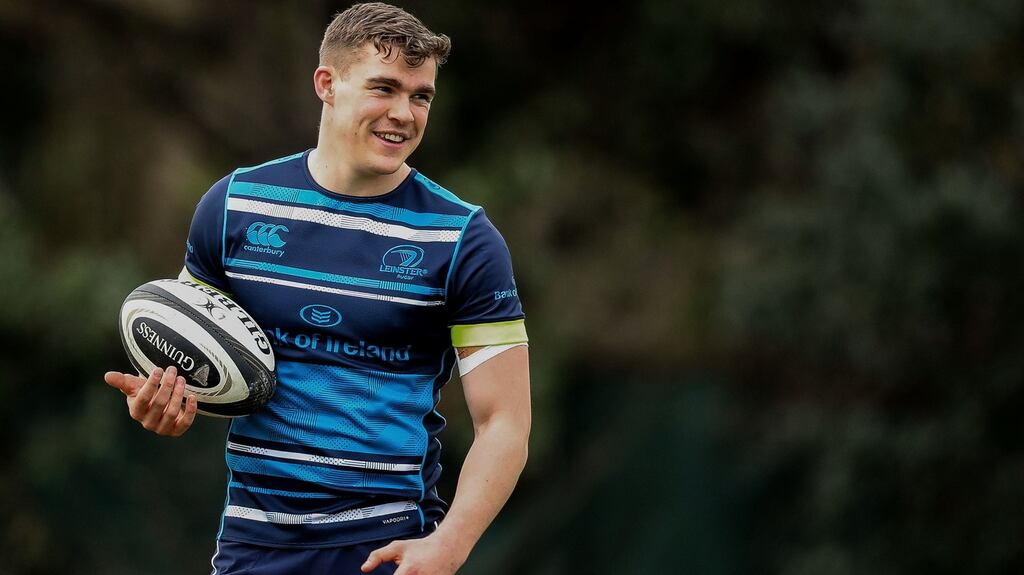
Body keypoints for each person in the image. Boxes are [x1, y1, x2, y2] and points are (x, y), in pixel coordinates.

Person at [103, 3, 531, 573]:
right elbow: (203, 356)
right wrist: (170, 405)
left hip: (388, 546)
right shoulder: (233, 207)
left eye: (421, 96)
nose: (403, 114)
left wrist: (450, 544)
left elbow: (505, 423)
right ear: (326, 84)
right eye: (384, 88)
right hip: (253, 545)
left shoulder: (462, 239)